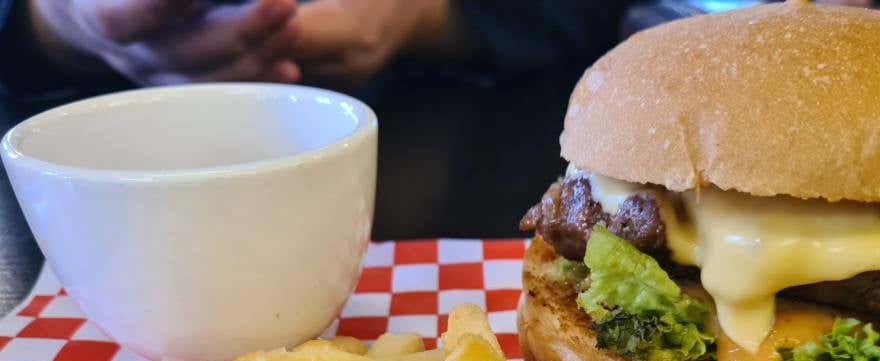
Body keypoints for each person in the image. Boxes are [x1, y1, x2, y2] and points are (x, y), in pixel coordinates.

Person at [0, 0, 633, 96]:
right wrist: (55, 23)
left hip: (453, 134)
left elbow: (588, 13)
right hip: (83, 135)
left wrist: (428, 16)